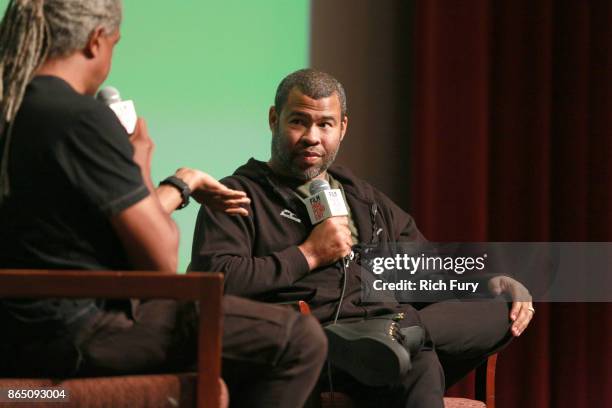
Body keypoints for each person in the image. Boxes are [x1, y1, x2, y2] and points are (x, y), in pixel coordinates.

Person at [0, 2, 326, 407]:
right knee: (298, 338)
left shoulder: (13, 109)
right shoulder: (80, 119)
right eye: (115, 45)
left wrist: (180, 185)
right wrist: (139, 160)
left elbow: (83, 230)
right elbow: (158, 262)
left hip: (14, 333)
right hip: (76, 333)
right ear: (96, 40)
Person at [190, 68, 535, 407]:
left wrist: (490, 281)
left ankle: (395, 336)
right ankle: (395, 340)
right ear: (273, 119)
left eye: (325, 124)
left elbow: (425, 268)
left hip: (382, 334)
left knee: (498, 309)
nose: (312, 136)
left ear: (342, 128)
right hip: (314, 343)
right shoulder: (235, 195)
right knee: (419, 360)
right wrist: (308, 254)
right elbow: (216, 281)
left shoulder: (362, 197)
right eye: (298, 121)